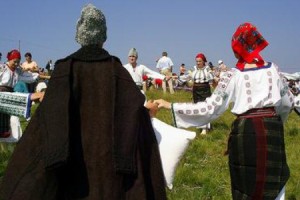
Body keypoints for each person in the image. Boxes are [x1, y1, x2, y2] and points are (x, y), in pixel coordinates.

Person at [0, 4, 166, 200]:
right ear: (104, 37)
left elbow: (48, 120)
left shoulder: (65, 70)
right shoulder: (119, 72)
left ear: (79, 34)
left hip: (70, 173)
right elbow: (134, 113)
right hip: (110, 177)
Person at [154, 22, 293, 199]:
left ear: (236, 49)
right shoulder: (274, 70)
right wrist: (276, 122)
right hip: (273, 129)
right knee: (275, 180)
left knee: (246, 185)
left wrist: (171, 105)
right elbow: (287, 103)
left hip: (246, 132)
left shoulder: (233, 75)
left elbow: (210, 107)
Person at [0, 49, 45, 138]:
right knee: (1, 113)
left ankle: (4, 131)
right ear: (10, 59)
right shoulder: (2, 68)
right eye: (15, 61)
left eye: (18, 62)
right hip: (1, 92)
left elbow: (28, 76)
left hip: (10, 92)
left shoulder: (18, 70)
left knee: (7, 112)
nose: (16, 64)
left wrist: (41, 75)